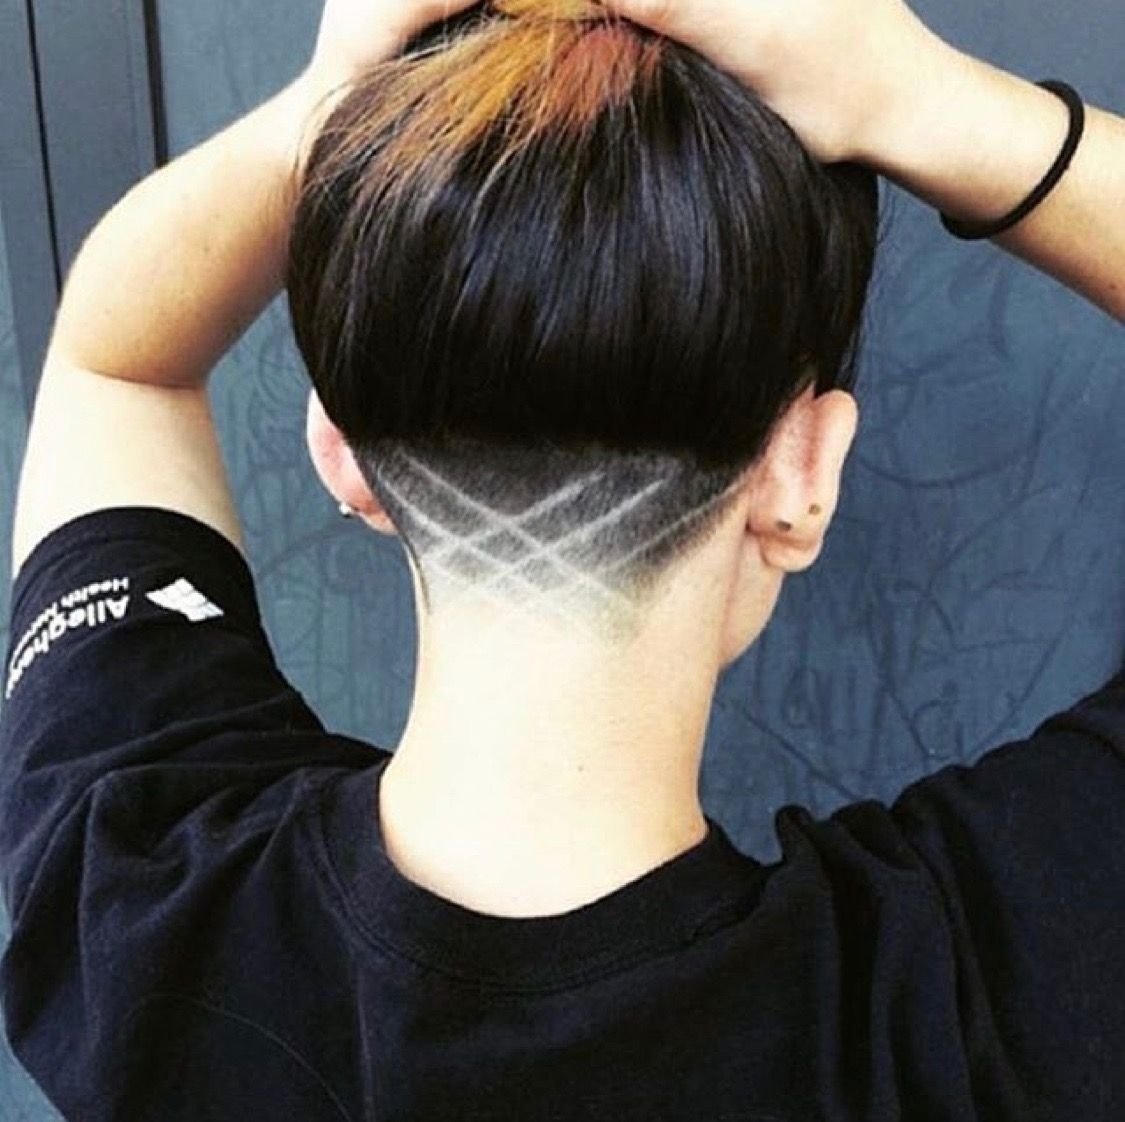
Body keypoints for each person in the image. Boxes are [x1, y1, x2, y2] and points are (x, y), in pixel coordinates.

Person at [0, 0, 1121, 1117]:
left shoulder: (143, 902)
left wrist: (325, 106)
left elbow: (116, 365)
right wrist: (918, 99)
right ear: (802, 475)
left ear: (339, 449)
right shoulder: (974, 1004)